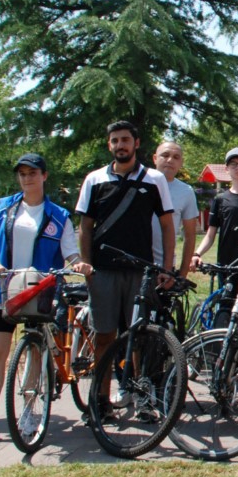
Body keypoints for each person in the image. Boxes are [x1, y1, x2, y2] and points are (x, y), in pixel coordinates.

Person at [0, 154, 90, 448]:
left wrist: (78, 264)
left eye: (33, 173)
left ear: (44, 176)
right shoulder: (4, 207)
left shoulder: (59, 215)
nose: (27, 178)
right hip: (4, 290)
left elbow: (70, 252)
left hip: (40, 291)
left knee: (35, 352)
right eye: (22, 174)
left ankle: (28, 412)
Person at [75, 120, 175, 409]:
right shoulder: (94, 180)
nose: (121, 145)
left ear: (136, 143)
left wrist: (167, 268)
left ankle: (142, 399)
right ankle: (100, 402)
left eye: (125, 140)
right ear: (110, 145)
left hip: (140, 272)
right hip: (104, 271)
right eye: (115, 140)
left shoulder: (154, 179)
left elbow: (168, 226)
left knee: (140, 338)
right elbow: (85, 226)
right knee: (104, 336)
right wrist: (87, 264)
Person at [191, 147, 238, 327]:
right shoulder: (220, 199)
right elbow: (210, 235)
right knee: (225, 311)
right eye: (233, 164)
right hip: (226, 265)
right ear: (226, 169)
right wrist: (197, 254)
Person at [151, 141, 200, 278]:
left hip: (164, 268)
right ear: (155, 158)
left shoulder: (186, 191)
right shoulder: (140, 184)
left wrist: (182, 274)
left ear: (181, 162)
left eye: (176, 157)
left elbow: (190, 236)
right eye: (165, 155)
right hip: (135, 266)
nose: (170, 160)